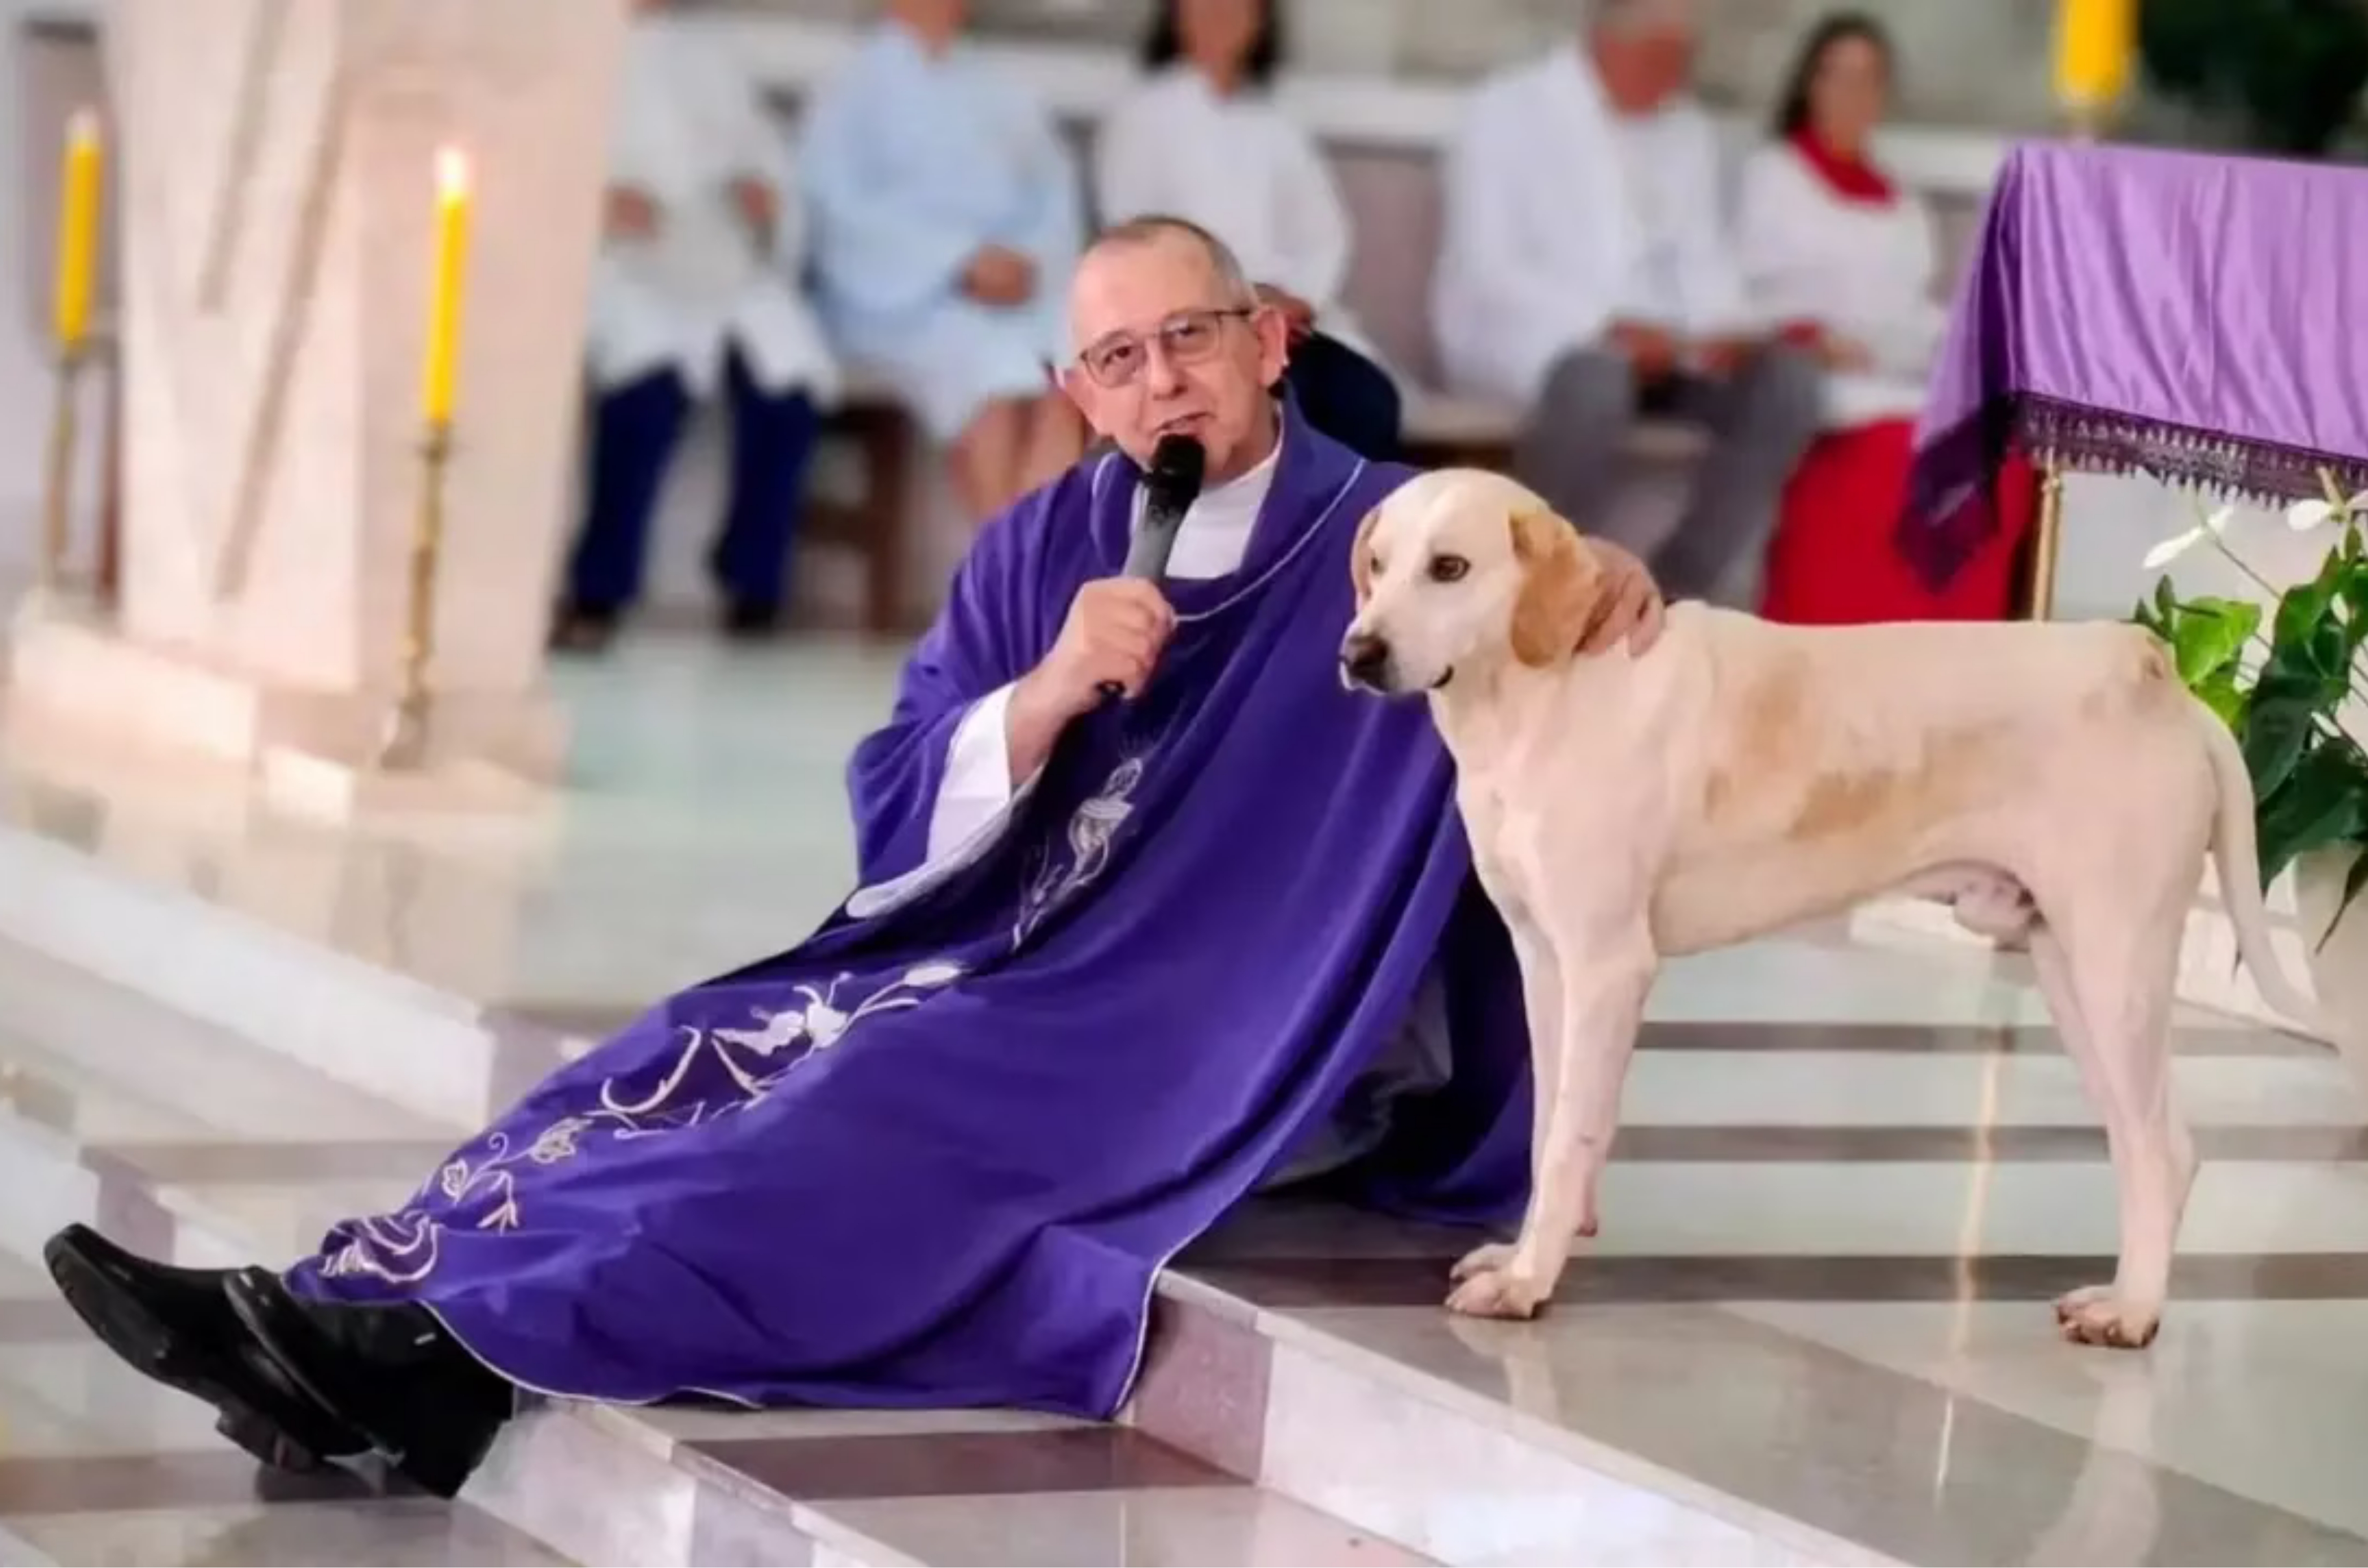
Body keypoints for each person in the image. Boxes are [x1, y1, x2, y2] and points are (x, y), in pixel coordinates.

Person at [41, 214, 1668, 1502]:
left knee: (859, 1104)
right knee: (692, 1051)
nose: (1162, 384)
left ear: (1270, 340)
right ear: (1077, 396)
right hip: (995, 964)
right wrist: (1034, 701)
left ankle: (442, 1361)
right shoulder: (1041, 544)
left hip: (1209, 1022)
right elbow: (900, 786)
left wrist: (1612, 590)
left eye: (1190, 336)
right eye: (1119, 357)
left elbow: (1550, 609)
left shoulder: (1391, 534)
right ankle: (342, 1314)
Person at [1432, 0, 1822, 605]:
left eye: (1681, 58)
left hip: (1667, 353)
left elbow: (1701, 259)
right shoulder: (1507, 111)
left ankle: (1671, 592)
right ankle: (1539, 589)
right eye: (1658, 57)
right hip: (1535, 338)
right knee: (1597, 378)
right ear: (1606, 42)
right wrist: (1604, 328)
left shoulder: (1686, 129)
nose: (1674, 76)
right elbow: (1490, 269)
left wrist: (1724, 330)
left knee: (1786, 386)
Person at [552, 0, 841, 654]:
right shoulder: (568, 40)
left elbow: (762, 156)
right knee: (647, 387)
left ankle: (753, 580)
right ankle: (599, 587)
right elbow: (531, 153)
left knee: (786, 390)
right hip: (624, 264)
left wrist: (764, 193)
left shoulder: (712, 54)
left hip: (724, 261)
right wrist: (590, 198)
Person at [1741, 13, 2033, 622]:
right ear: (1808, 85)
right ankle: (1848, 627)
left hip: (1897, 373)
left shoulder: (1901, 206)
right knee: (1897, 456)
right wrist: (1809, 335)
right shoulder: (1772, 176)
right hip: (1822, 381)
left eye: (1867, 80)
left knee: (1998, 456)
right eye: (1837, 77)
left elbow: (1916, 312)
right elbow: (1749, 287)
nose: (1851, 94)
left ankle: (1954, 656)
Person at [802, 0, 1085, 523]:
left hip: (1010, 291)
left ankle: (1029, 571)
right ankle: (1010, 588)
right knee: (994, 369)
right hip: (899, 301)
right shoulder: (854, 84)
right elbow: (837, 211)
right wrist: (957, 263)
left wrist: (1024, 263)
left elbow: (1051, 194)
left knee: (1074, 368)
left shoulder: (999, 88)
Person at [1095, 0, 1403, 459]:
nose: (1222, 17)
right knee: (1275, 408)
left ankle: (1335, 532)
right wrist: (1233, 301)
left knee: (1367, 400)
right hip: (1198, 325)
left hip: (1289, 320)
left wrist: (1298, 299)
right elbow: (1138, 240)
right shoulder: (1141, 118)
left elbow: (1323, 234)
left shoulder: (1276, 124)